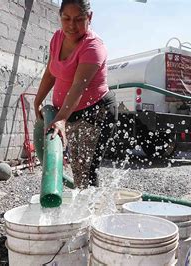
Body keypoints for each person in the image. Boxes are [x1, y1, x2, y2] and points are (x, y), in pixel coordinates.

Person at [33, 0, 117, 188]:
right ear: (60, 17)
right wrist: (37, 101)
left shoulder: (93, 47)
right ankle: (82, 207)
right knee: (78, 167)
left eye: (79, 19)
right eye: (66, 18)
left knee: (85, 170)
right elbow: (50, 72)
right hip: (70, 112)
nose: (72, 25)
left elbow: (79, 85)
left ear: (90, 17)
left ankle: (92, 214)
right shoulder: (57, 38)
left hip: (96, 112)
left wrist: (61, 118)